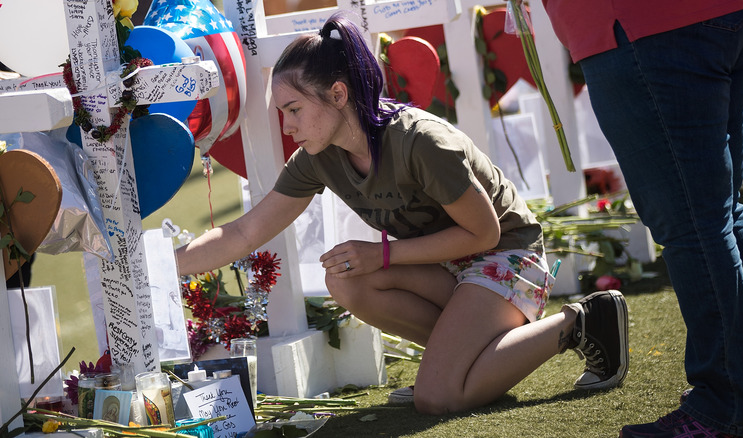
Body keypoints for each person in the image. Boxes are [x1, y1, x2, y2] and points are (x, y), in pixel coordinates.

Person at [175, 12, 629, 414]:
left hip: (506, 256)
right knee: (345, 279)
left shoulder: (421, 142)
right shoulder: (318, 156)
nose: (286, 125)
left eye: (294, 109)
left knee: (437, 399)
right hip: (449, 267)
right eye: (283, 112)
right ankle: (455, 363)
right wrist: (159, 268)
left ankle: (582, 321)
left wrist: (382, 255)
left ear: (337, 94)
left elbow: (485, 234)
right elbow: (244, 233)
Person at [541, 1, 743, 436]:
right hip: (710, 15)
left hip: (644, 23)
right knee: (714, 211)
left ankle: (726, 407)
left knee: (693, 221)